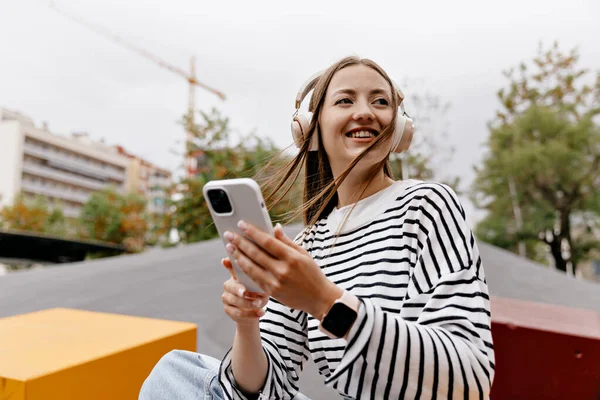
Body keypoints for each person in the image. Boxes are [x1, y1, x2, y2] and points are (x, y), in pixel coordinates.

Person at [139, 56, 495, 400]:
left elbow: (471, 379)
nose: (365, 111)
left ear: (398, 126)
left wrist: (325, 300)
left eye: (380, 101)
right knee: (176, 372)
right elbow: (261, 390)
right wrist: (247, 323)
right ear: (311, 129)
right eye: (344, 100)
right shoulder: (309, 244)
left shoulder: (427, 204)